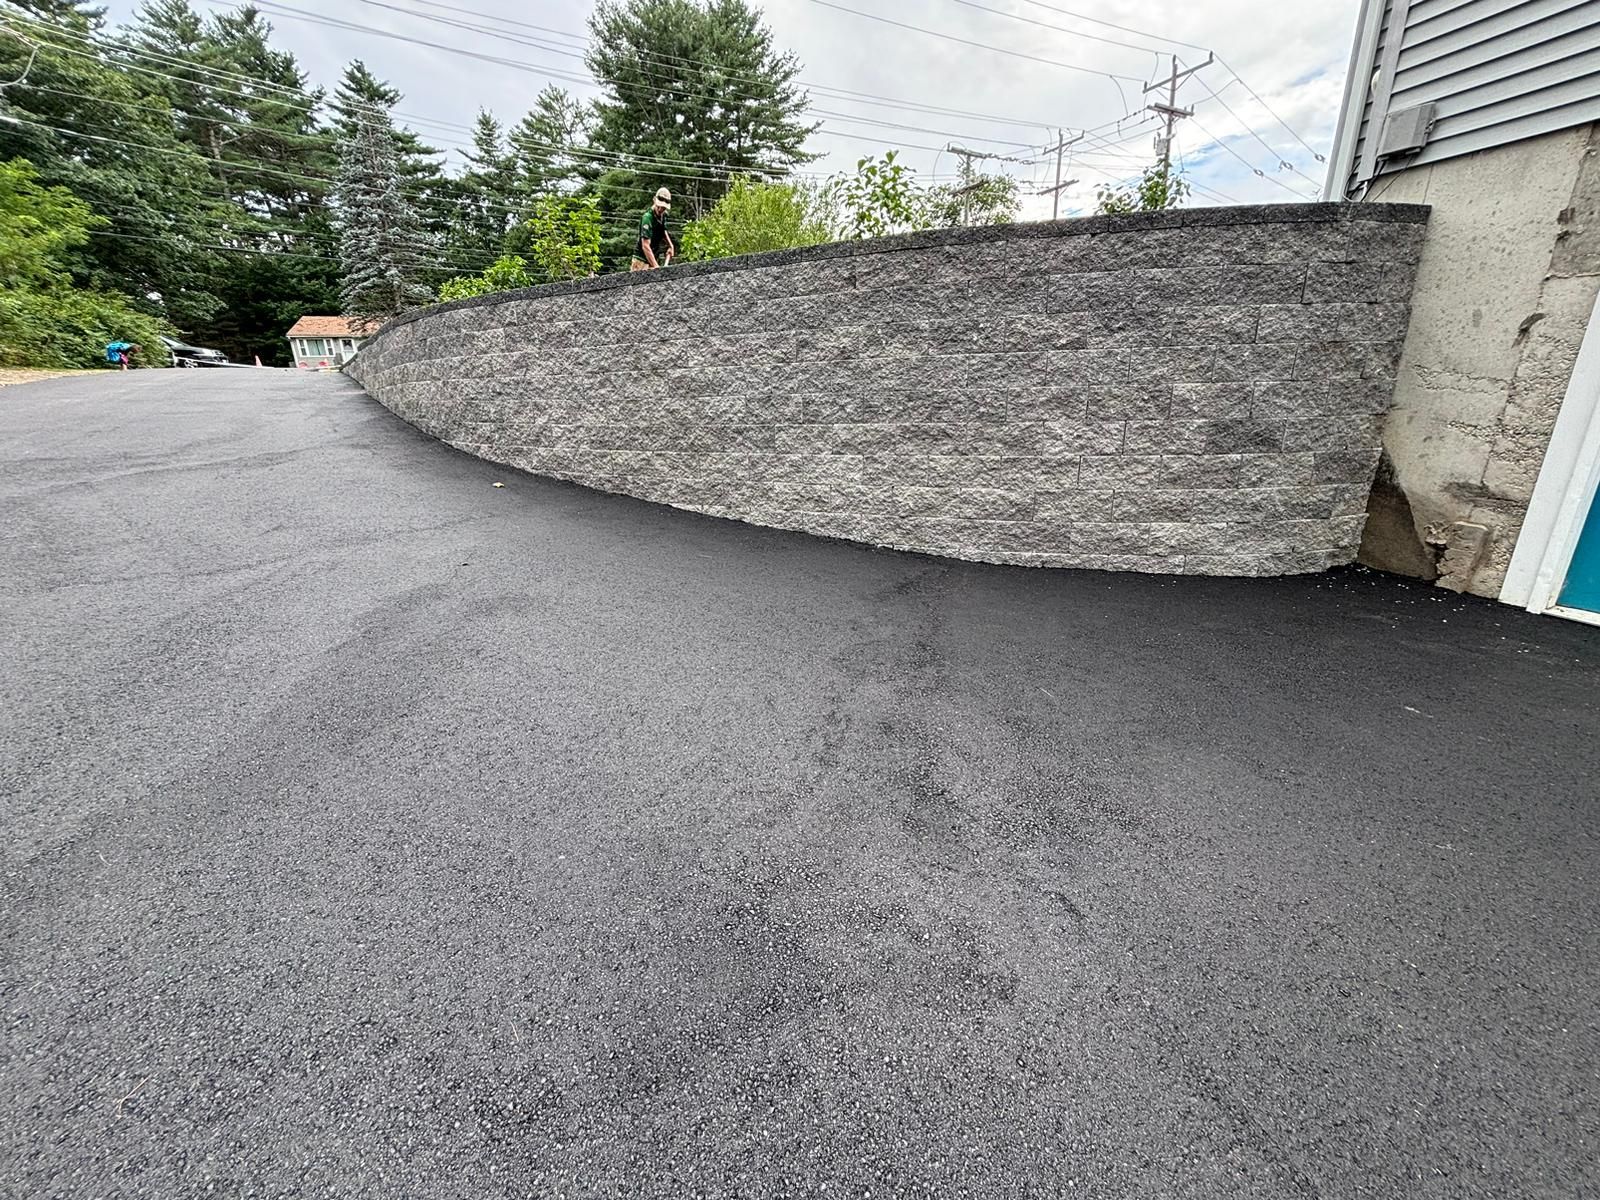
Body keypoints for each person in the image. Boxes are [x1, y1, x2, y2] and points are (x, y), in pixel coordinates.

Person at [631, 187, 674, 271]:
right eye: (659, 206)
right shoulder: (647, 218)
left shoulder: (663, 215)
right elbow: (645, 246)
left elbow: (663, 230)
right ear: (654, 200)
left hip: (652, 258)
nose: (660, 209)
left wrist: (670, 245)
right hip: (641, 261)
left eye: (663, 208)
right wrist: (656, 267)